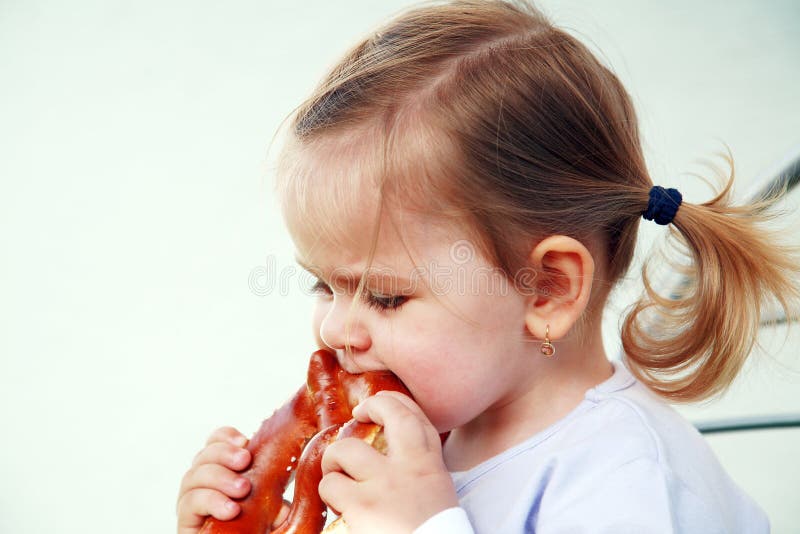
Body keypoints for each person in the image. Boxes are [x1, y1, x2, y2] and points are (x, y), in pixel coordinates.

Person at [176, 1, 799, 532]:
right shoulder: (418, 444)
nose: (336, 331)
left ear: (547, 290)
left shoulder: (624, 479)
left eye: (386, 298)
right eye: (324, 285)